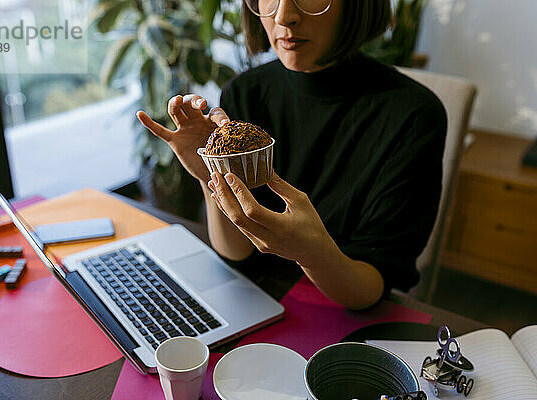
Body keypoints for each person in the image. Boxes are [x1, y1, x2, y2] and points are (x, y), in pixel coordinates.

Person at [137, 0, 446, 310]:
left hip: (344, 314)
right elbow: (236, 251)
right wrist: (210, 173)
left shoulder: (413, 115)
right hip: (254, 302)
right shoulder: (246, 92)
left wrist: (311, 253)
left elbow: (369, 289)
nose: (284, 16)